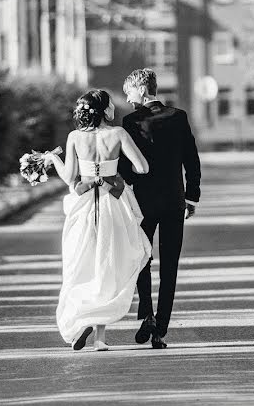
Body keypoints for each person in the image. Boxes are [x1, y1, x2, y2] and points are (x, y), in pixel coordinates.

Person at [46, 89, 152, 351]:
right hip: (111, 205)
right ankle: (100, 338)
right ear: (105, 110)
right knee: (107, 266)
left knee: (83, 264)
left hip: (83, 207)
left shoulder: (74, 137)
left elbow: (70, 177)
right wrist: (117, 176)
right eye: (112, 106)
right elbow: (142, 167)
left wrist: (52, 159)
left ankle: (84, 322)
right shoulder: (117, 134)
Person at [119, 68, 201, 349]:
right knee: (170, 265)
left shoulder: (131, 121)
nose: (127, 98)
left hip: (142, 204)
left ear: (141, 90)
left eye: (129, 91)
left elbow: (125, 168)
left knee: (142, 258)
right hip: (174, 202)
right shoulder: (178, 117)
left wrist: (124, 191)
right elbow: (192, 159)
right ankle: (160, 329)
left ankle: (148, 314)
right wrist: (192, 197)